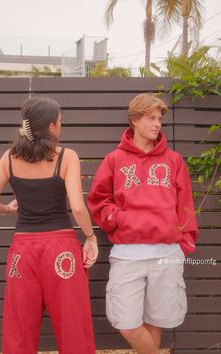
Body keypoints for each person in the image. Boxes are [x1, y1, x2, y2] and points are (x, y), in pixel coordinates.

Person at [0, 97, 98, 354]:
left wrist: (7, 209)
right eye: (60, 121)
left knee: (19, 328)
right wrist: (90, 238)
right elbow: (78, 207)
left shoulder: (9, 158)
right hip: (62, 249)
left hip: (22, 253)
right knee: (73, 327)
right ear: (50, 126)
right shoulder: (66, 156)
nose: (61, 125)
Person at [87, 93, 197, 354]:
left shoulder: (174, 160)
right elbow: (98, 200)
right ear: (135, 120)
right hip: (127, 254)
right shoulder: (115, 160)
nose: (157, 124)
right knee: (126, 324)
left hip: (167, 253)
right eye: (151, 118)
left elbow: (186, 205)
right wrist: (121, 219)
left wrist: (184, 243)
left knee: (155, 321)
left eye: (159, 119)